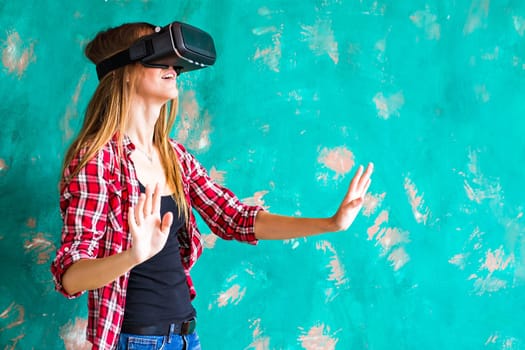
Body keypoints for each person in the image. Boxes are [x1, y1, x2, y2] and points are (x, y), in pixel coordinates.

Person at [50, 21, 373, 350]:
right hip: (137, 341)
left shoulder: (175, 157)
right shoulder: (98, 160)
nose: (173, 67)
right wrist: (134, 255)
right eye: (159, 56)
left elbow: (235, 218)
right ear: (126, 70)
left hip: (186, 338)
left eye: (175, 61)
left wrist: (331, 223)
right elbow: (70, 274)